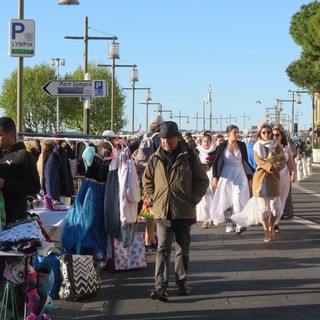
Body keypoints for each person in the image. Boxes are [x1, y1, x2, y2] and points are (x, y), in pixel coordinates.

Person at [142, 121, 208, 301]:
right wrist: (152, 199)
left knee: (182, 249)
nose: (165, 142)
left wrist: (193, 199)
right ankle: (160, 287)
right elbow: (147, 181)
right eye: (163, 138)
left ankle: (181, 282)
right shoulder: (155, 158)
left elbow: (202, 181)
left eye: (169, 138)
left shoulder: (189, 157)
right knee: (162, 248)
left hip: (183, 211)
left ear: (177, 138)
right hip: (162, 211)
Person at [0, 116, 41, 313]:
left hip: (15, 225)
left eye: (0, 136)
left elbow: (35, 187)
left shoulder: (24, 156)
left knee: (15, 273)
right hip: (1, 223)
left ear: (11, 133)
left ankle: (19, 311)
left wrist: (6, 184)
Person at [232, 123, 287, 242]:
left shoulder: (277, 145)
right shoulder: (257, 146)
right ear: (260, 134)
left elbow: (283, 158)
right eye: (264, 132)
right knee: (263, 209)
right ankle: (266, 231)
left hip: (273, 179)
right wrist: (270, 165)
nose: (266, 134)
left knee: (275, 208)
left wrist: (279, 165)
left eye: (268, 132)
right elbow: (259, 161)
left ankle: (272, 225)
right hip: (261, 178)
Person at [129, 114, 163, 251]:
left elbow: (129, 149)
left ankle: (149, 238)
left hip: (139, 175)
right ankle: (148, 239)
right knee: (151, 207)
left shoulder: (143, 137)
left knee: (141, 205)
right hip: (153, 175)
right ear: (161, 126)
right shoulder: (159, 138)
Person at [211, 125, 254, 234]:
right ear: (228, 133)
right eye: (235, 132)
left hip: (240, 173)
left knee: (237, 198)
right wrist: (215, 177)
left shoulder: (242, 145)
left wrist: (250, 177)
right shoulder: (222, 146)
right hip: (226, 174)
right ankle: (229, 223)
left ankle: (240, 224)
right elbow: (215, 163)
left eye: (238, 132)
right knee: (227, 199)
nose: (237, 134)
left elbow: (245, 162)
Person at [272, 127, 296, 232]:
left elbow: (290, 162)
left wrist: (293, 172)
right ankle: (270, 221)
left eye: (277, 135)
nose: (275, 137)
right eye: (273, 135)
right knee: (273, 201)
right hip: (272, 176)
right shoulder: (268, 147)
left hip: (284, 176)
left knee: (281, 200)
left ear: (281, 137)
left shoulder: (286, 148)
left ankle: (275, 223)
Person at [195, 131, 216, 229]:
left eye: (208, 141)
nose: (206, 143)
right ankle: (205, 220)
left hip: (212, 177)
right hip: (201, 177)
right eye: (204, 141)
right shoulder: (197, 151)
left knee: (212, 198)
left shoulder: (215, 151)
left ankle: (211, 217)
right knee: (203, 200)